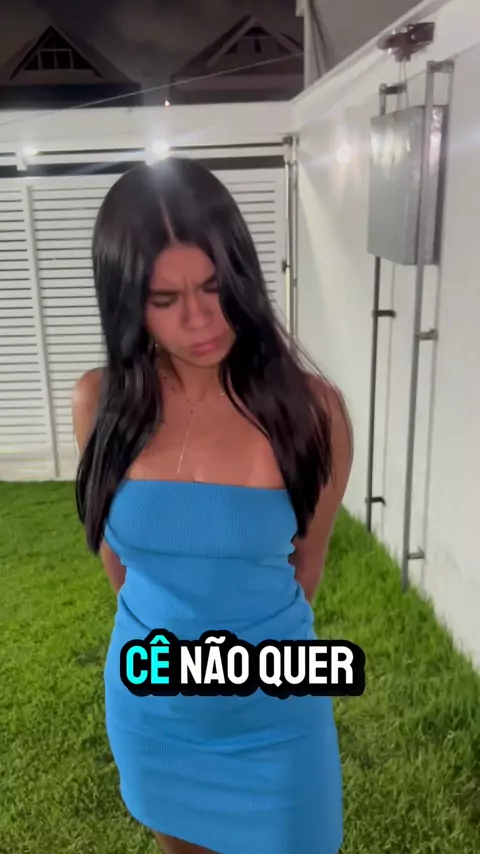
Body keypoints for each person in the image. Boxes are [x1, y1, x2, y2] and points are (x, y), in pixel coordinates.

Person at [72, 157, 353, 854]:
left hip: (275, 722)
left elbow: (307, 568)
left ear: (243, 275)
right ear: (126, 301)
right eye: (164, 298)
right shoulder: (98, 403)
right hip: (153, 719)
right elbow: (121, 568)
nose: (199, 318)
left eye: (213, 285)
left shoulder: (313, 413)